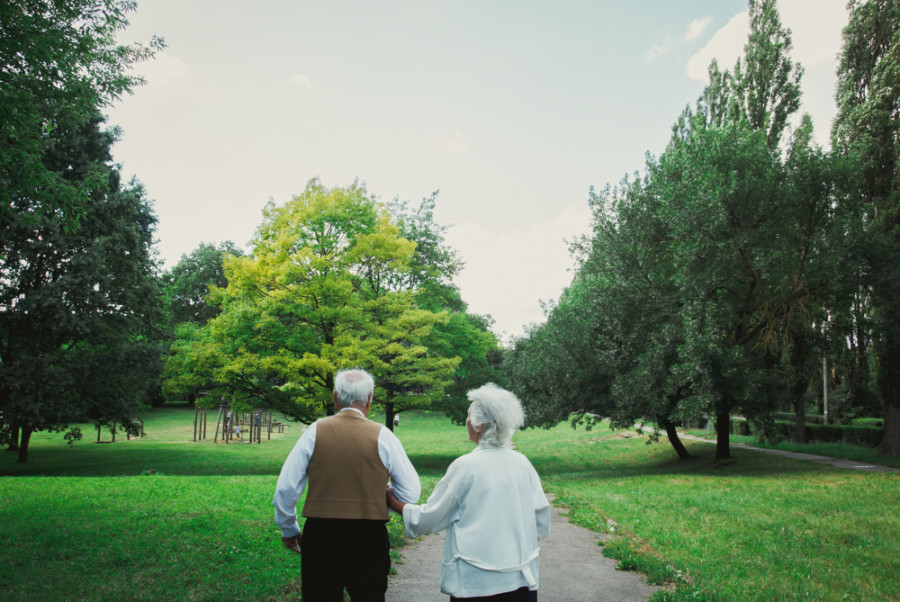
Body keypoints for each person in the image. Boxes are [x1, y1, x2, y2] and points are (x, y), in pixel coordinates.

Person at [387, 384, 550, 601]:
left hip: (476, 584)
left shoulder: (465, 467)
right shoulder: (522, 463)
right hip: (522, 581)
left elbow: (428, 518)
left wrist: (393, 501)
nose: (466, 421)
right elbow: (541, 520)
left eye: (468, 415)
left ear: (479, 424)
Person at [273, 368, 421, 601]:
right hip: (368, 536)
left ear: (335, 397)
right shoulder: (383, 436)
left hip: (321, 534)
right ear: (370, 398)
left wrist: (289, 528)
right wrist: (384, 499)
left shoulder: (314, 432)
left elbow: (286, 488)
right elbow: (411, 492)